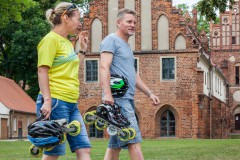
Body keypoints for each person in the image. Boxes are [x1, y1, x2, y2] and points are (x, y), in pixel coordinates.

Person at [99, 8, 160, 160]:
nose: (132, 25)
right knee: (133, 139)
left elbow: (134, 74)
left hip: (127, 98)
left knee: (115, 146)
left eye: (134, 22)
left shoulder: (126, 46)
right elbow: (103, 66)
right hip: (118, 99)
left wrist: (149, 93)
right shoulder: (111, 40)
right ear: (118, 23)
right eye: (129, 22)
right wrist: (107, 93)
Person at [36, 2, 91, 160]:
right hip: (56, 102)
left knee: (84, 148)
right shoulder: (50, 40)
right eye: (78, 18)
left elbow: (73, 69)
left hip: (71, 103)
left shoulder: (67, 42)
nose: (80, 23)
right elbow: (42, 70)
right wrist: (47, 101)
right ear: (66, 18)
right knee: (53, 153)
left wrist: (82, 50)